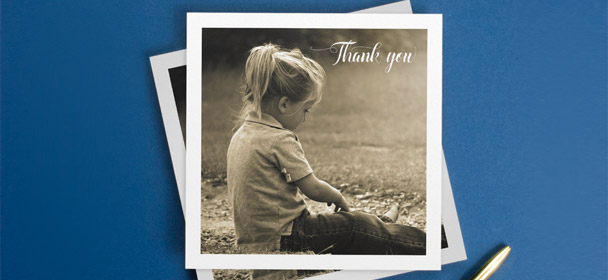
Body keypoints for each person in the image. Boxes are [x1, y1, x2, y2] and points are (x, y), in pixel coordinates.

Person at [227, 43, 443, 265]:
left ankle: (382, 225)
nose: (305, 118)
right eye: (305, 109)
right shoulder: (277, 139)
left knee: (350, 228)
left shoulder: (242, 135)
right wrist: (337, 196)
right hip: (287, 235)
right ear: (284, 104)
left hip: (254, 240)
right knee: (354, 226)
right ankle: (437, 244)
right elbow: (313, 188)